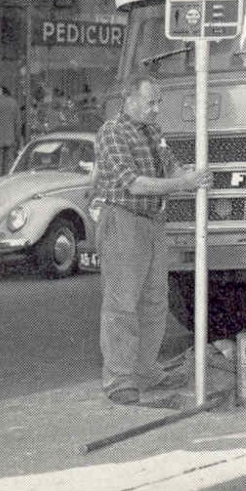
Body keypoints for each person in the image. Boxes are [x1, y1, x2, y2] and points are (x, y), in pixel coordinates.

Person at [92, 75, 212, 405]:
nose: (157, 109)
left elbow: (169, 167)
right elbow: (134, 184)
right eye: (151, 103)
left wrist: (189, 175)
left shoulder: (152, 132)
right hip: (123, 220)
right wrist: (184, 183)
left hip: (153, 222)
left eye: (158, 102)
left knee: (154, 302)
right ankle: (119, 379)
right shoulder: (112, 132)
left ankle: (144, 371)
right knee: (122, 304)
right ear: (129, 100)